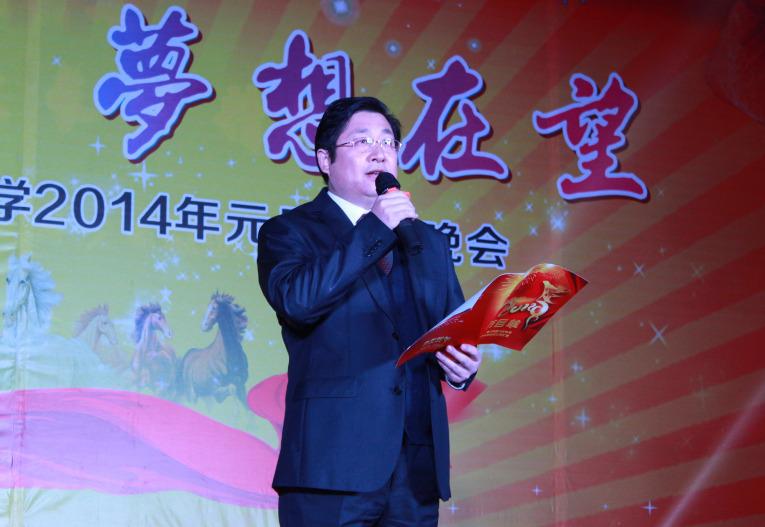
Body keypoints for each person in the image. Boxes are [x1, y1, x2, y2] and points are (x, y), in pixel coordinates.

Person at [257, 96, 482, 526]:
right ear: (325, 160)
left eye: (388, 142)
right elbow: (298, 303)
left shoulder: (429, 242)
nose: (379, 153)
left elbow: (451, 327)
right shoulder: (289, 231)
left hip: (415, 471)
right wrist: (377, 227)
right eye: (362, 141)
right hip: (330, 467)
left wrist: (461, 366)